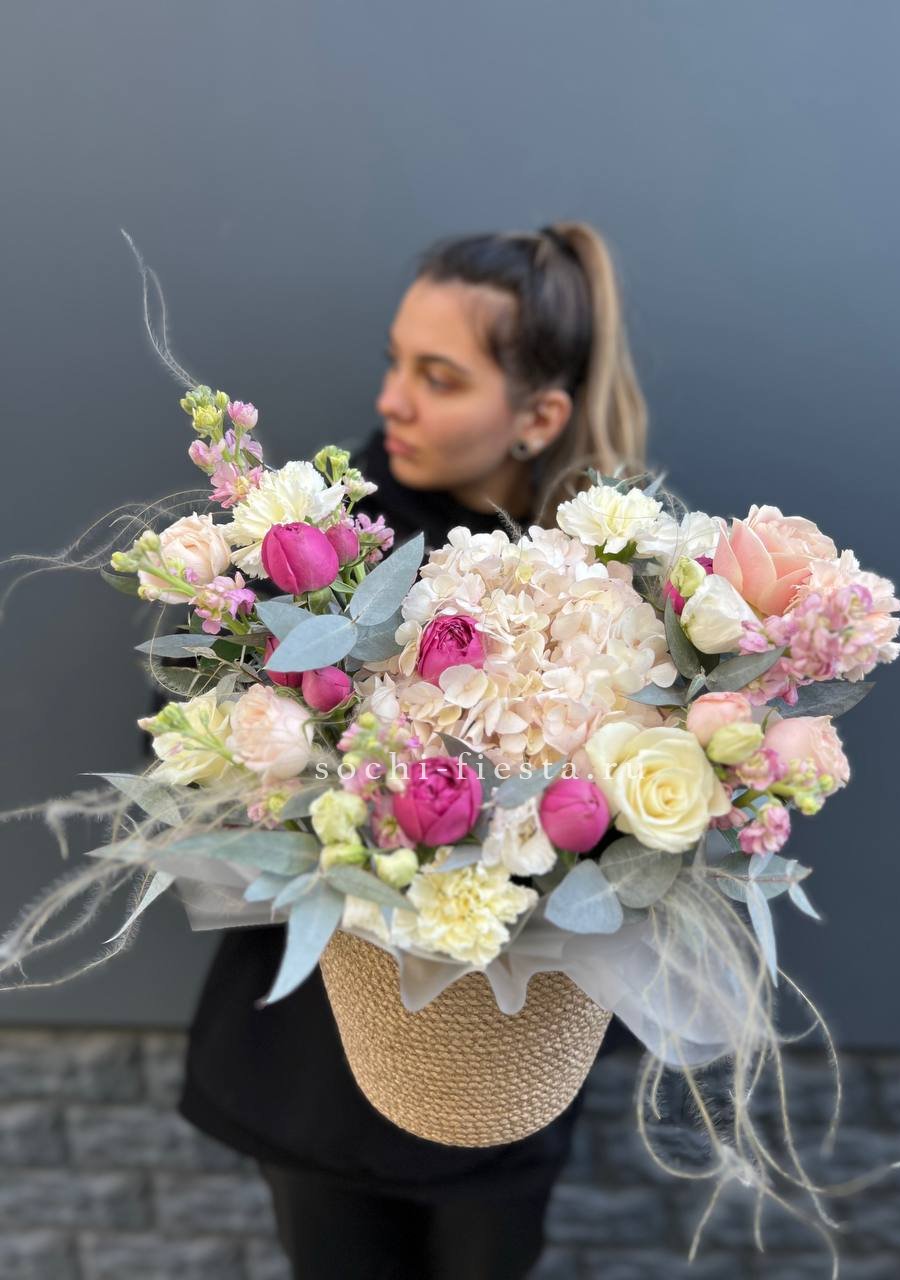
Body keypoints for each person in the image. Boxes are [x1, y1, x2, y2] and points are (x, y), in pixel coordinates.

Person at [178, 221, 650, 1280]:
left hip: (503, 1072)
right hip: (317, 1072)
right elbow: (197, 752)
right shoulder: (323, 548)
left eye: (439, 377)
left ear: (538, 417)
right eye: (397, 361)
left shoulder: (616, 582)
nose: (393, 399)